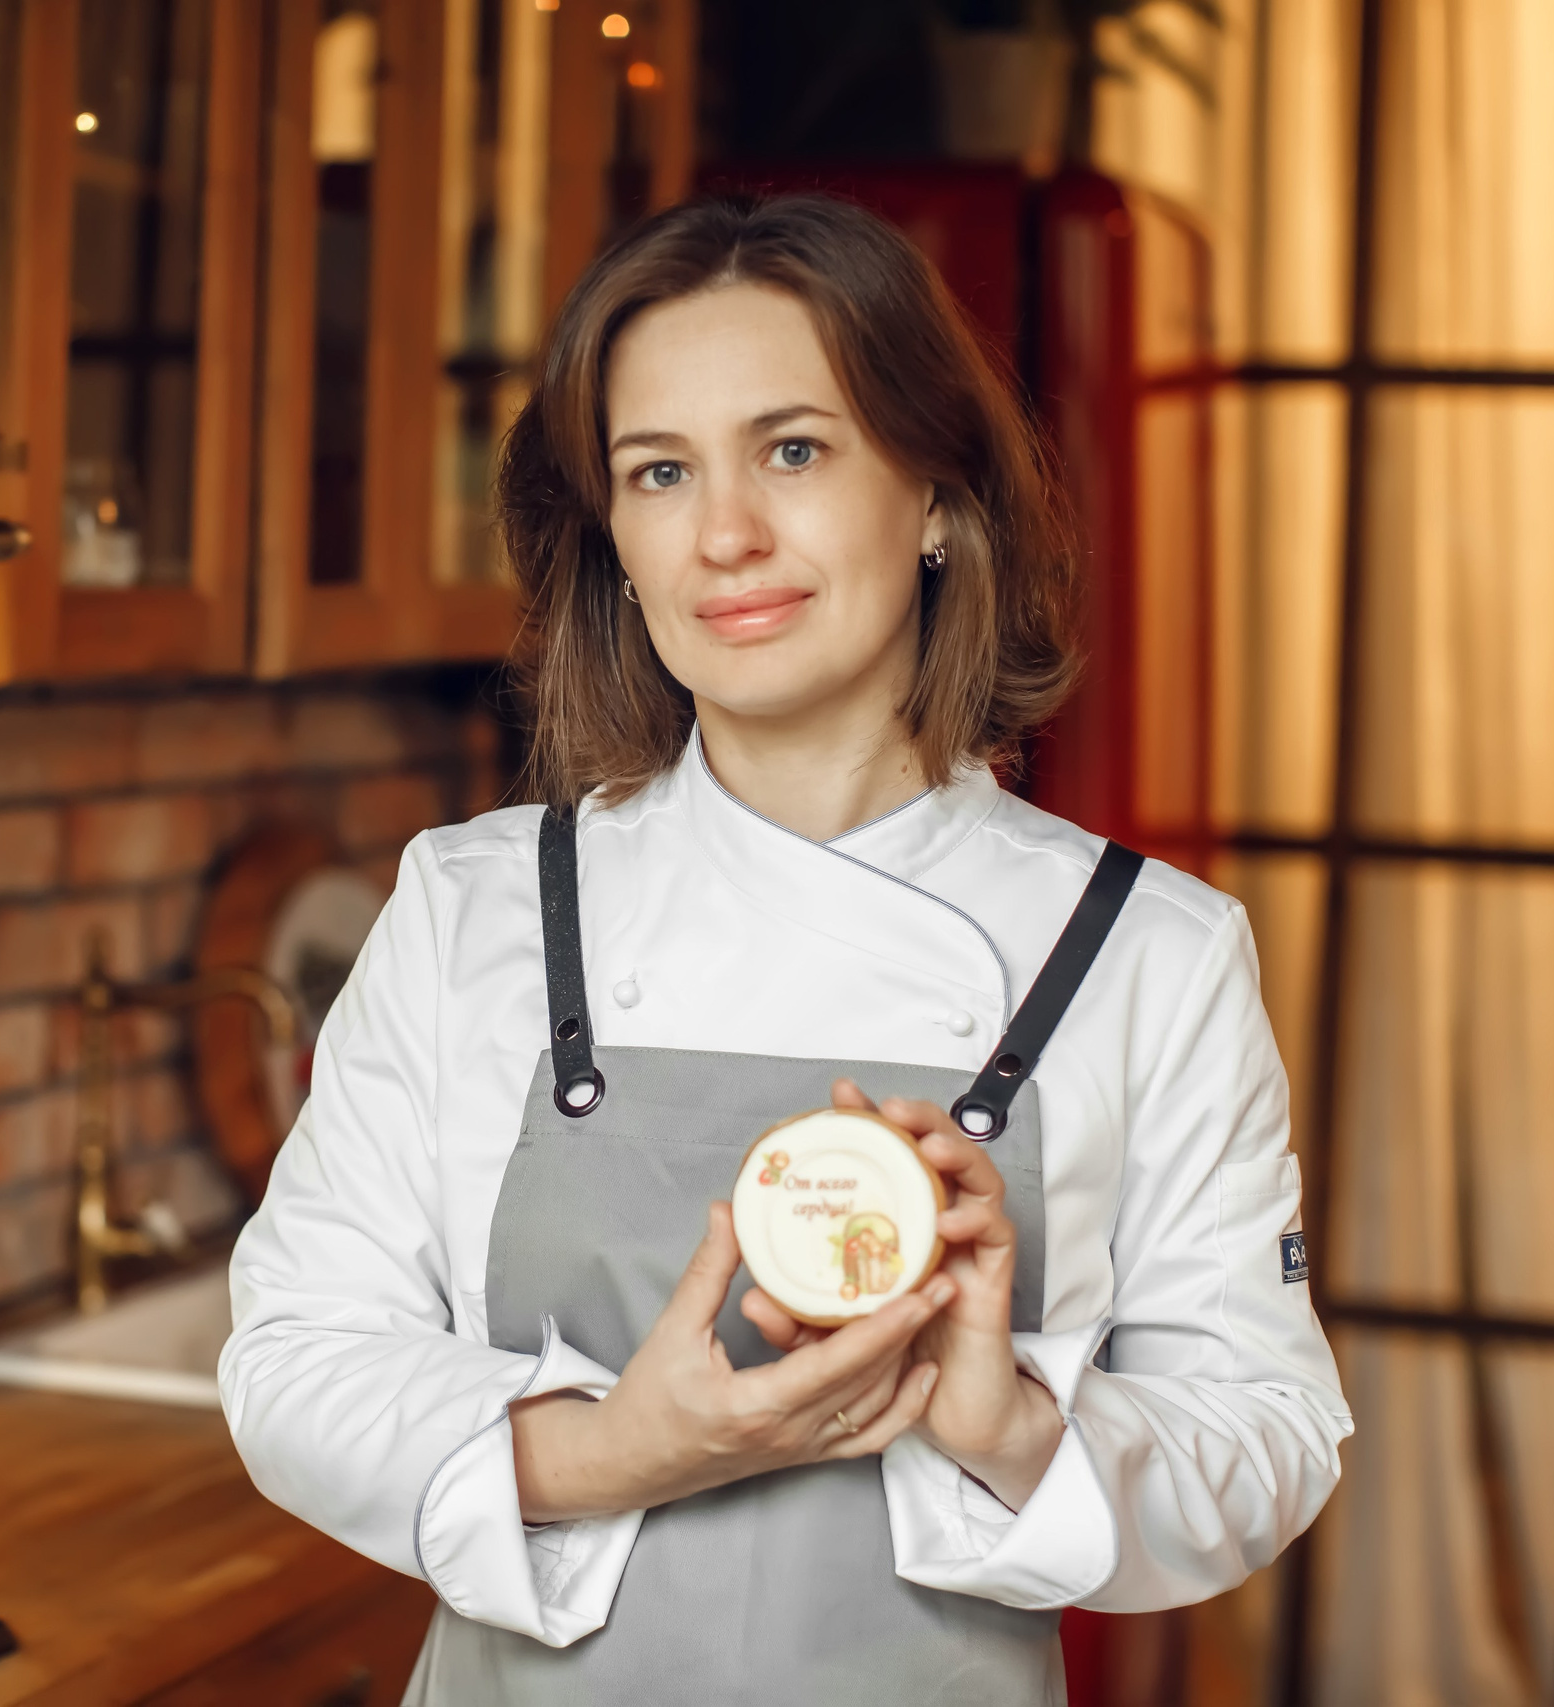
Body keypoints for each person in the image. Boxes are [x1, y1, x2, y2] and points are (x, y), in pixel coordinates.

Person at [220, 192, 1350, 1705]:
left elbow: (1266, 1434)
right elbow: (293, 1360)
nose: (727, 533)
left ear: (938, 495)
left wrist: (1004, 1418)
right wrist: (626, 1450)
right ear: (616, 541)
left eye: (795, 450)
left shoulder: (1146, 953)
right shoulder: (476, 907)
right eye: (661, 472)